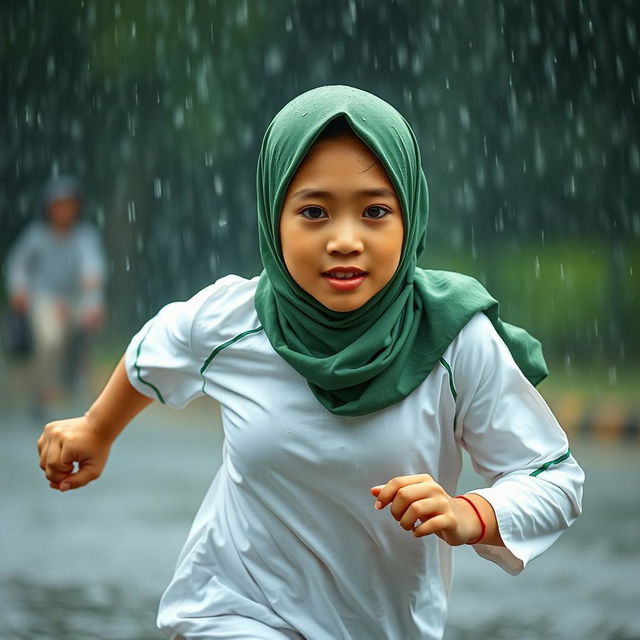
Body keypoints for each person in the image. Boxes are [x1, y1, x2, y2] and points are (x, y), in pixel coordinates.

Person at [36, 86, 584, 640]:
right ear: (274, 217)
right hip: (229, 612)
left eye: (374, 211)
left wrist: (473, 513)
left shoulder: (454, 340)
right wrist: (97, 428)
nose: (344, 240)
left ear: (411, 215)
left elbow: (554, 479)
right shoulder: (232, 318)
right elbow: (152, 349)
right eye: (314, 212)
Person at [6, 175, 106, 417]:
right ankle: (41, 390)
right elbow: (17, 265)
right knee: (50, 339)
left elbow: (93, 273)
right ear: (49, 207)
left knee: (84, 331)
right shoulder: (36, 236)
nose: (64, 211)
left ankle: (73, 380)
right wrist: (18, 289)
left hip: (74, 300)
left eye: (69, 204)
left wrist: (94, 304)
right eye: (59, 205)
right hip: (43, 298)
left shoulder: (85, 236)